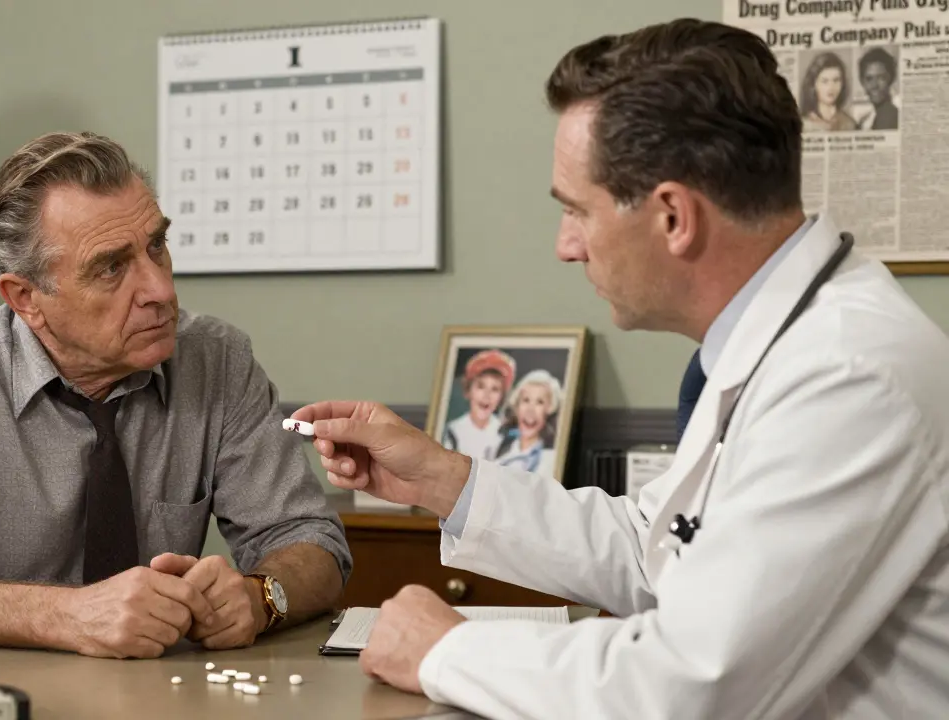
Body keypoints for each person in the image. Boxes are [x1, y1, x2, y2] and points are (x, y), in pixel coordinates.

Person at [292, 18, 949, 719]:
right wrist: (442, 480)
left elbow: (690, 685)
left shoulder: (848, 377)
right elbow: (660, 547)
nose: (565, 246)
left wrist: (443, 652)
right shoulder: (792, 344)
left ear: (673, 217)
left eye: (577, 210)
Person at [0, 131, 352, 659]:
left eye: (156, 247)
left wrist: (261, 598)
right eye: (112, 267)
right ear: (26, 298)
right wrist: (66, 616)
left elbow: (312, 542)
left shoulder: (217, 362)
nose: (160, 291)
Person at [440, 349, 514, 459]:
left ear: (501, 398)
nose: (487, 395)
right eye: (480, 386)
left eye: (495, 389)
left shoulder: (505, 434)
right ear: (468, 390)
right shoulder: (453, 431)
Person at [492, 369, 562, 476]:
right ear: (517, 406)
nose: (530, 410)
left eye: (540, 402)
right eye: (526, 400)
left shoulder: (552, 460)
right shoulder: (498, 452)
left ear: (549, 409)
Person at [800, 51, 858, 132]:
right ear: (813, 85)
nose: (831, 87)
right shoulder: (804, 124)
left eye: (836, 80)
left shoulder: (849, 124)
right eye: (824, 81)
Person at [857, 47, 899, 131]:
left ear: (891, 78)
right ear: (862, 82)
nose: (874, 85)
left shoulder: (890, 116)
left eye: (881, 78)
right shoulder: (869, 118)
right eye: (869, 79)